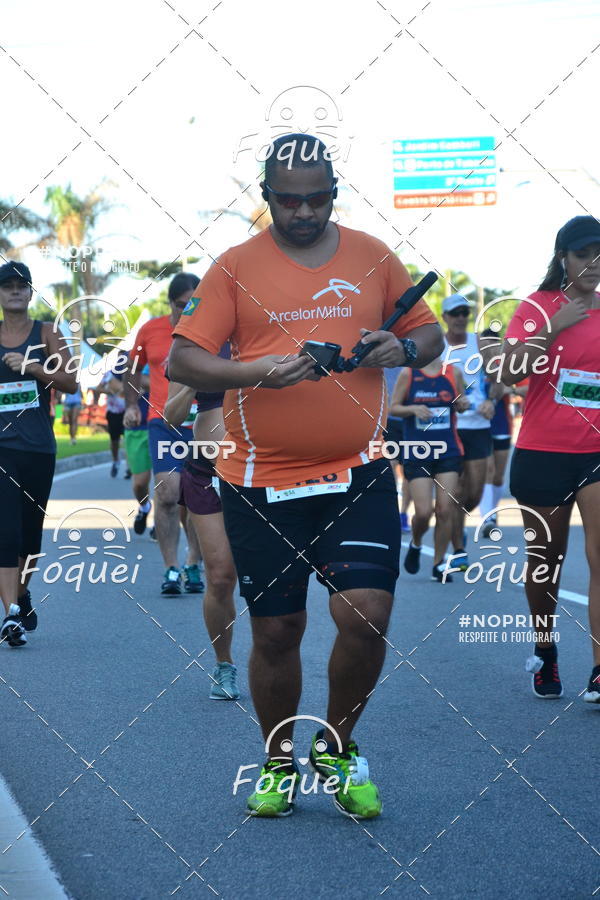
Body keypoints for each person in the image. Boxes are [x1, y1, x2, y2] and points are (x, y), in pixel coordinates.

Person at [169, 134, 443, 818]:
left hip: (358, 471)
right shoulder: (234, 266)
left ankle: (337, 747)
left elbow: (430, 335)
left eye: (317, 199)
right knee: (277, 631)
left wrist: (402, 347)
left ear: (334, 193)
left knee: (367, 615)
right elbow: (184, 361)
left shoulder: (374, 255)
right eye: (289, 201)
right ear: (267, 197)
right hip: (262, 481)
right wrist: (255, 372)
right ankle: (277, 759)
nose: (304, 212)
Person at [500, 215, 600, 700]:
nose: (592, 263)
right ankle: (546, 649)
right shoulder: (536, 307)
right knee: (546, 563)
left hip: (595, 452)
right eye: (583, 254)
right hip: (543, 453)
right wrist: (552, 328)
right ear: (563, 257)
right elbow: (508, 372)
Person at [0, 261, 77, 645]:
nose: (15, 290)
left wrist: (32, 367)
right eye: (7, 285)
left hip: (38, 448)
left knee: (30, 537)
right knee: (6, 531)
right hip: (2, 448)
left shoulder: (46, 332)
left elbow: (71, 381)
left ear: (31, 292)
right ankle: (11, 614)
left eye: (21, 285)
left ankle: (21, 593)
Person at [164, 345, 240, 701]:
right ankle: (224, 664)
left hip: (263, 474)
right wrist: (192, 381)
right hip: (207, 473)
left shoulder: (271, 334)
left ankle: (274, 657)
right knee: (221, 576)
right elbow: (171, 416)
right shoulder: (198, 345)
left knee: (268, 577)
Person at [123, 273, 204, 595]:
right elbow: (132, 368)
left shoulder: (211, 328)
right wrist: (132, 405)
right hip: (163, 421)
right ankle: (171, 568)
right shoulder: (151, 330)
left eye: (194, 305)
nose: (188, 311)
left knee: (198, 499)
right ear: (170, 302)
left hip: (203, 421)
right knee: (168, 494)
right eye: (182, 305)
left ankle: (193, 562)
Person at [390, 357, 469, 581]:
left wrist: (463, 404)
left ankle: (439, 563)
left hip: (448, 450)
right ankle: (416, 543)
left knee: (444, 510)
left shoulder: (453, 372)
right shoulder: (409, 374)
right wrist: (413, 409)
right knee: (423, 512)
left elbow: (461, 404)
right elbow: (393, 407)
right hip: (418, 452)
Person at [442, 295, 498, 569]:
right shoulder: (437, 347)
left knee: (473, 493)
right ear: (445, 317)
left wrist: (492, 401)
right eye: (455, 313)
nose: (461, 318)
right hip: (448, 427)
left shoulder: (480, 344)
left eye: (465, 312)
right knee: (456, 491)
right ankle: (458, 549)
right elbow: (424, 381)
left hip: (477, 427)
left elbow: (499, 379)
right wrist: (449, 400)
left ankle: (458, 524)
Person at [123, 365, 152, 534]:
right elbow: (114, 383)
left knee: (167, 485)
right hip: (138, 426)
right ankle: (145, 506)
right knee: (140, 484)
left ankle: (161, 523)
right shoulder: (132, 357)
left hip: (168, 425)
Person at [384, 365, 411, 533]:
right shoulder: (380, 355)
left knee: (408, 468)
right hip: (387, 418)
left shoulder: (415, 354)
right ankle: (392, 510)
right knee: (391, 464)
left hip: (410, 418)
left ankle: (403, 513)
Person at [101, 370, 125, 477]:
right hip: (113, 412)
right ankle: (115, 461)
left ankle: (130, 466)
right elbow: (98, 388)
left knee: (129, 437)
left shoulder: (132, 372)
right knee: (114, 440)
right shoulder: (109, 374)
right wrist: (110, 391)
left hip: (127, 411)